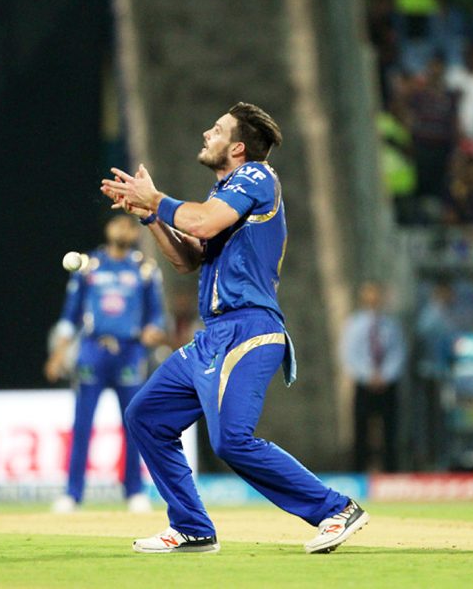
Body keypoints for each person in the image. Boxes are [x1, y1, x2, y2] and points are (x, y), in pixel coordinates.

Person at [100, 102, 368, 554]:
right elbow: (187, 259)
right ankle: (191, 527)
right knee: (147, 415)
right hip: (214, 336)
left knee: (231, 440)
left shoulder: (257, 177)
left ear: (238, 147)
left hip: (250, 329)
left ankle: (335, 509)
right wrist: (150, 216)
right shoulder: (225, 193)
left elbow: (201, 221)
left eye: (218, 129)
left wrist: (157, 199)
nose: (207, 133)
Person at [45, 214, 166, 514]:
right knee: (82, 424)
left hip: (129, 352)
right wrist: (58, 354)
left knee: (134, 424)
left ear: (135, 234)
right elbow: (69, 316)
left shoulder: (144, 269)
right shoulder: (89, 267)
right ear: (107, 229)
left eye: (129, 225)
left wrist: (154, 331)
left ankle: (134, 492)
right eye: (118, 223)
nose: (123, 227)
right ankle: (72, 494)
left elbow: (157, 316)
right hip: (92, 351)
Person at [340, 281, 405, 472]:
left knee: (390, 431)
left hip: (388, 384)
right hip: (364, 384)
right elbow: (350, 354)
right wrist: (368, 375)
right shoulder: (354, 324)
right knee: (361, 431)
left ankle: (390, 472)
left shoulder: (391, 325)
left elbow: (398, 352)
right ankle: (359, 471)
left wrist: (385, 375)